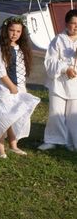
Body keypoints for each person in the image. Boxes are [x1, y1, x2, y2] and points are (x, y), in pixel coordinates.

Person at [0, 16, 40, 158]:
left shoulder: (21, 48)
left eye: (18, 31)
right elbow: (0, 71)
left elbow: (22, 70)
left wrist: (19, 86)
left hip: (19, 87)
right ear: (6, 30)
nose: (14, 34)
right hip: (5, 88)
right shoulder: (0, 48)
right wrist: (11, 86)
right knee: (4, 116)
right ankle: (0, 147)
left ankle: (13, 145)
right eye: (12, 30)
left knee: (16, 115)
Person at [38, 9, 77, 151]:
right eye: (73, 23)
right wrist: (65, 68)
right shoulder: (58, 39)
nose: (75, 26)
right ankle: (52, 139)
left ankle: (71, 141)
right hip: (59, 82)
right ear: (66, 24)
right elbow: (49, 61)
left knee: (74, 115)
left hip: (75, 84)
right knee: (56, 112)